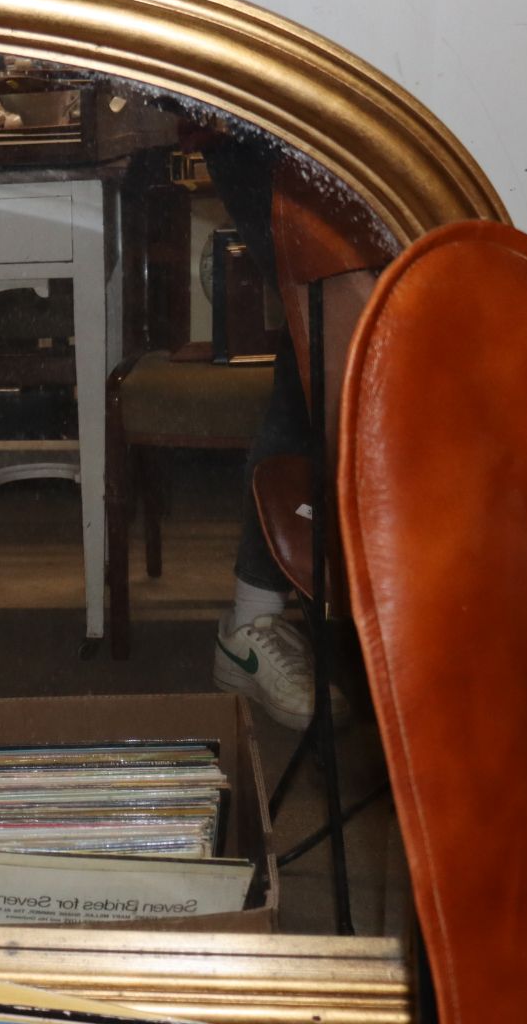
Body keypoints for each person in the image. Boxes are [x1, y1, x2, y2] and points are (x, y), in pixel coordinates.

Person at [200, 136, 348, 731]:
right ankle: (252, 627)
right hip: (257, 122)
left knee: (329, 349)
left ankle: (256, 627)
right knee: (317, 344)